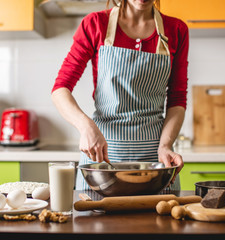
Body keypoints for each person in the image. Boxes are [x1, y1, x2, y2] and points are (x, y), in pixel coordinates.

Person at [51, 0, 189, 190]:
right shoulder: (95, 24)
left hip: (156, 162)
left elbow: (177, 99)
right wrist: (86, 127)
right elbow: (61, 89)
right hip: (101, 162)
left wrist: (166, 145)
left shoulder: (176, 30)